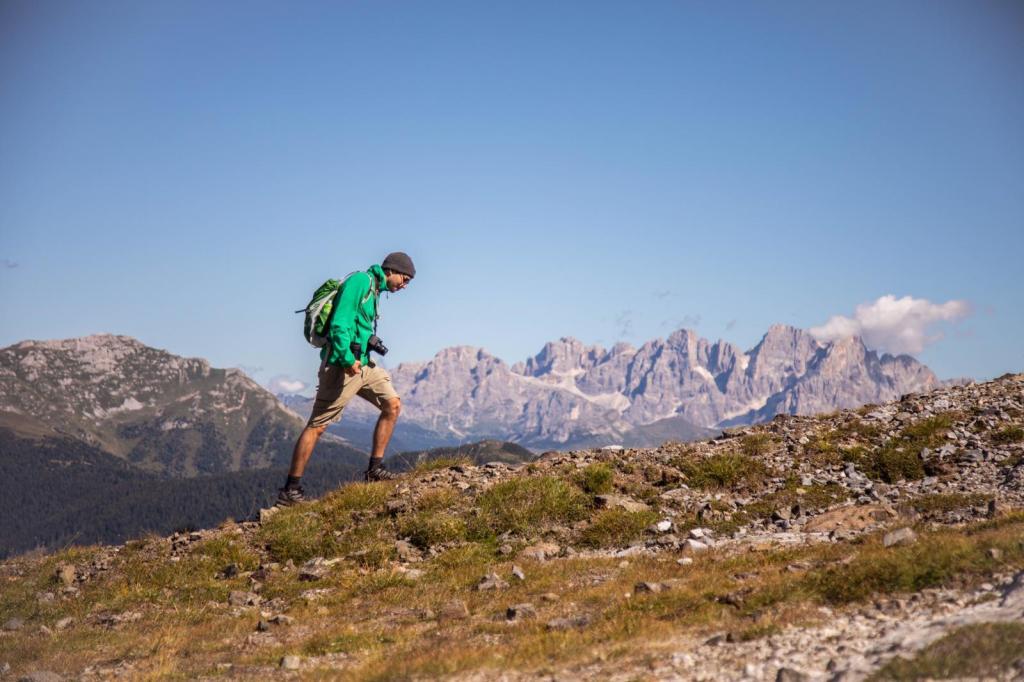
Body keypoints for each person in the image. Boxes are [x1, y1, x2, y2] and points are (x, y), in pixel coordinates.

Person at [277, 252, 415, 506]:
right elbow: (340, 322)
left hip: (362, 364)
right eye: (404, 279)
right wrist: (345, 358)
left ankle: (375, 470)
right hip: (343, 365)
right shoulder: (361, 282)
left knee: (392, 404)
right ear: (390, 271)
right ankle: (290, 491)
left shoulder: (374, 290)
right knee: (318, 426)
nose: (404, 285)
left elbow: (357, 326)